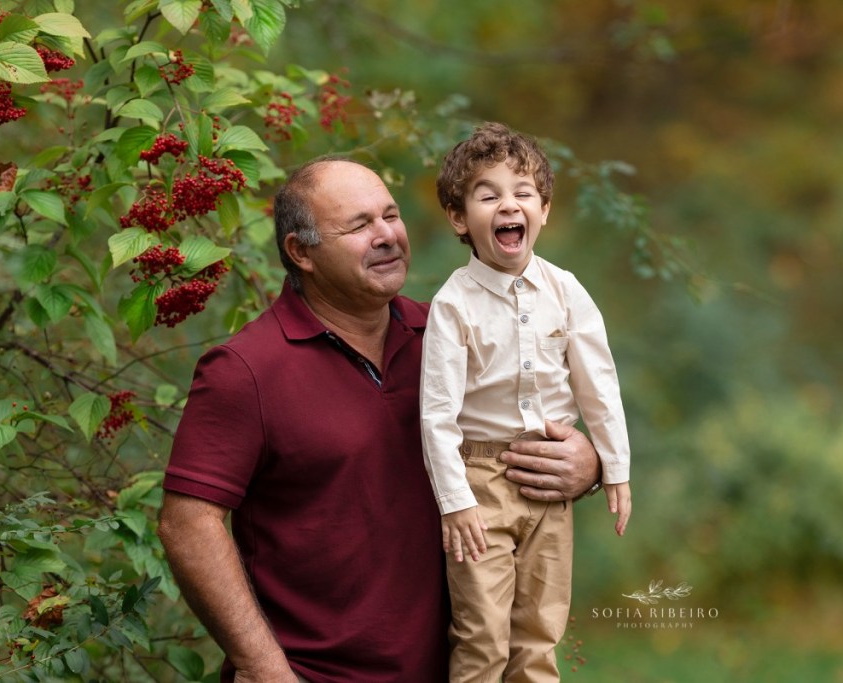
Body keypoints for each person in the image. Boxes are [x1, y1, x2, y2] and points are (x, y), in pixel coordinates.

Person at [157, 155, 605, 682]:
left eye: (391, 216)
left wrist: (588, 465)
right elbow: (188, 524)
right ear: (301, 252)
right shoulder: (247, 369)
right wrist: (265, 671)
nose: (387, 235)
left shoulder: (447, 332)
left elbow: (531, 424)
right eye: (358, 225)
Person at [420, 122, 632, 682]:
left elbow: (598, 384)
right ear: (460, 218)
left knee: (539, 638)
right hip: (479, 485)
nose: (508, 205)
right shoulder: (453, 305)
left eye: (523, 193)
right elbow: (436, 415)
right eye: (488, 195)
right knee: (482, 638)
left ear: (543, 211)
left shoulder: (566, 291)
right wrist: (454, 501)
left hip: (549, 485)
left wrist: (616, 469)